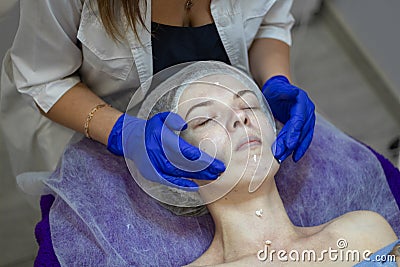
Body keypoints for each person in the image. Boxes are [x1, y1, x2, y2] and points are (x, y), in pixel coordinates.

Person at [0, 0, 315, 189]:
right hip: (90, 119)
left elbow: (269, 21)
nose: (241, 116)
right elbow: (44, 77)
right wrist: (122, 132)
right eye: (204, 120)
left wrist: (275, 79)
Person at [149, 72, 399, 266]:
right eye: (205, 119)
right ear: (178, 166)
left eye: (248, 106)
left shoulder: (364, 231)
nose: (240, 118)